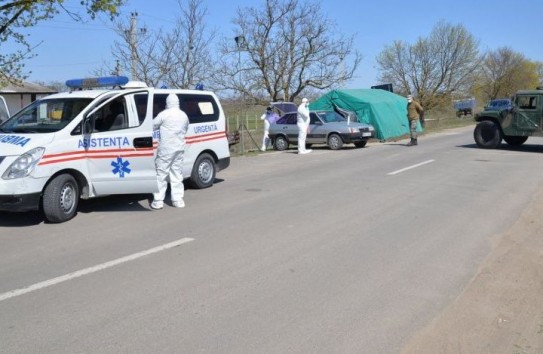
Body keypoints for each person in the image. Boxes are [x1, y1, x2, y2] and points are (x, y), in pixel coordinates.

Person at [150, 94, 190, 210]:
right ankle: (178, 200)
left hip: (166, 150)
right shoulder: (183, 115)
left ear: (167, 102)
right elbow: (185, 129)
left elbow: (152, 126)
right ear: (177, 102)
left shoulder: (164, 114)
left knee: (161, 175)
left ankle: (158, 201)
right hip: (179, 149)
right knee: (177, 174)